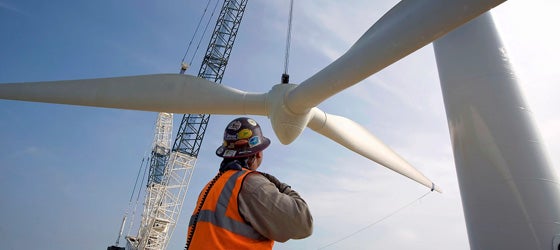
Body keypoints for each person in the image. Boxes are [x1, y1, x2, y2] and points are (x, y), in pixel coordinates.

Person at [185, 117, 313, 249]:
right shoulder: (250, 184)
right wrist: (281, 186)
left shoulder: (213, 185)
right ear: (258, 153)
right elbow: (303, 223)